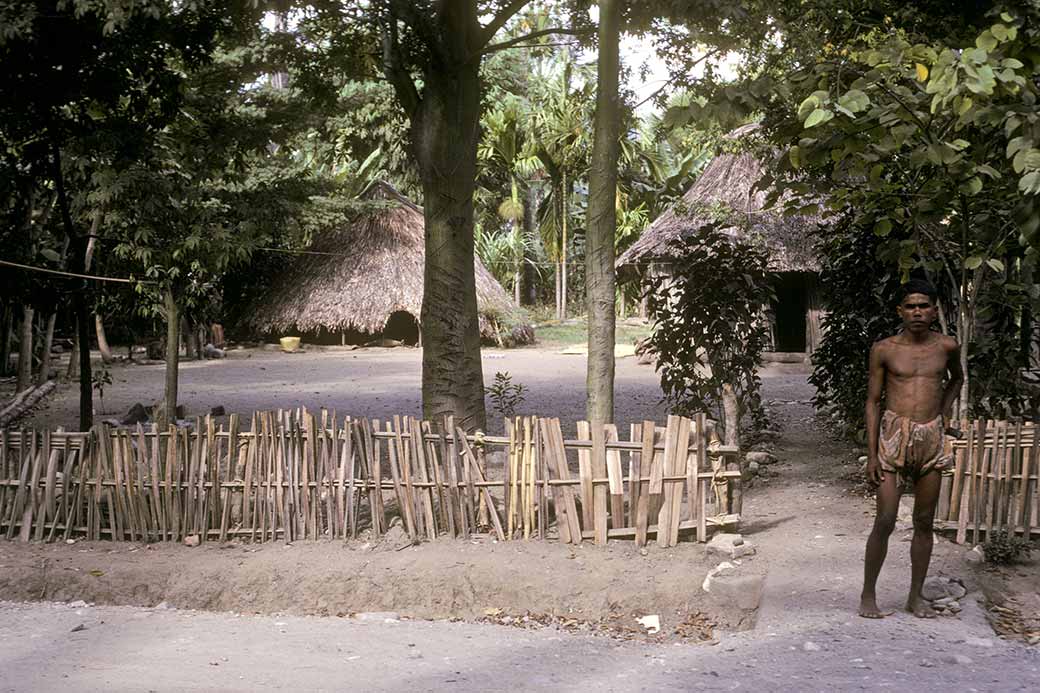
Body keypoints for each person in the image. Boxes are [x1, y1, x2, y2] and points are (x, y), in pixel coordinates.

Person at [859, 279, 964, 619]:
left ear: (935, 311)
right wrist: (872, 452)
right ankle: (868, 595)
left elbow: (956, 379)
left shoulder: (947, 347)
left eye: (924, 306)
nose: (917, 312)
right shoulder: (885, 349)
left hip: (931, 436)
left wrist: (944, 413)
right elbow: (873, 401)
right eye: (910, 306)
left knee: (924, 520)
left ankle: (914, 597)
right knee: (886, 519)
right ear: (899, 311)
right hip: (893, 436)